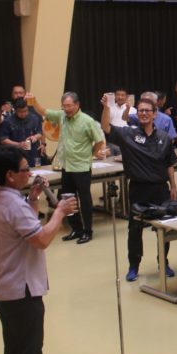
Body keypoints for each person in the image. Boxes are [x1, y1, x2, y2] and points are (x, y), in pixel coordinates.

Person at [0, 145, 78, 354]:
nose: (30, 173)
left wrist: (34, 198)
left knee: (14, 346)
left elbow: (24, 225)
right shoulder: (14, 206)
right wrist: (59, 212)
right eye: (25, 169)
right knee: (29, 349)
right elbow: (41, 239)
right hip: (21, 291)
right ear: (10, 174)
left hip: (3, 289)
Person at [102, 96, 177, 282]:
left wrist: (173, 186)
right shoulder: (128, 134)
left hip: (160, 189)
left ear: (154, 114)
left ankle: (164, 262)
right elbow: (106, 127)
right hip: (138, 189)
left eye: (147, 110)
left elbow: (169, 163)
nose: (143, 113)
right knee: (135, 230)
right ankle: (133, 266)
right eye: (141, 110)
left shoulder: (164, 137)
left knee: (164, 228)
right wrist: (105, 107)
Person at [34, 92, 105, 244]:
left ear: (77, 105)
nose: (67, 109)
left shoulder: (87, 121)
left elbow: (99, 141)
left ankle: (88, 231)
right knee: (68, 199)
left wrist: (91, 154)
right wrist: (33, 102)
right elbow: (43, 111)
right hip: (66, 166)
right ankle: (76, 228)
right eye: (64, 106)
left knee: (84, 200)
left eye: (69, 106)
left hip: (82, 167)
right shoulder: (61, 116)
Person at [0, 98, 44, 167]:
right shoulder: (8, 121)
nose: (23, 114)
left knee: (36, 171)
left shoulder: (34, 118)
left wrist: (35, 137)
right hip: (16, 155)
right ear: (15, 110)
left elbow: (40, 133)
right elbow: (3, 140)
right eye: (20, 112)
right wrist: (18, 144)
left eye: (25, 111)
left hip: (33, 154)